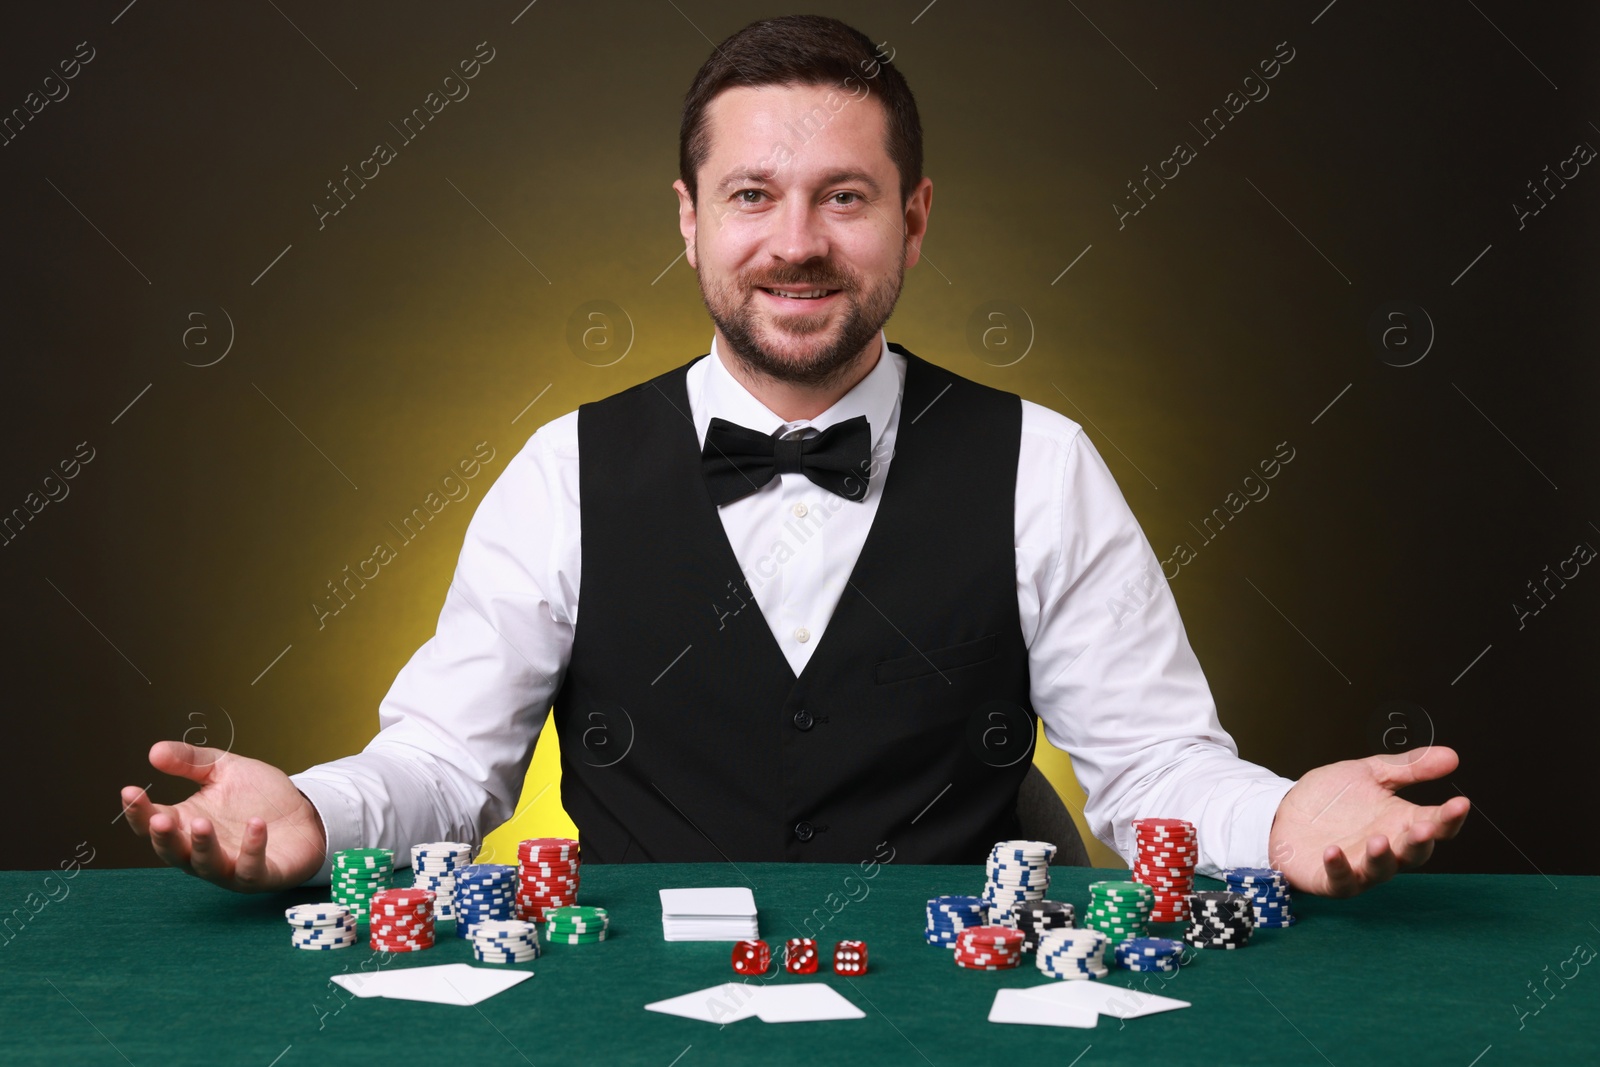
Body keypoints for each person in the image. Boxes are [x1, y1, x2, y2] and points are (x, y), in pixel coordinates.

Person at [119, 15, 1468, 898]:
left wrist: (1285, 820)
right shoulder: (560, 472)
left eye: (847, 197)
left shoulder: (1041, 463)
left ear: (915, 219)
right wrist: (310, 810)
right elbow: (443, 773)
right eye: (754, 195)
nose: (799, 241)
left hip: (964, 1027)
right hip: (638, 1017)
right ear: (690, 221)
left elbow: (1159, 771)